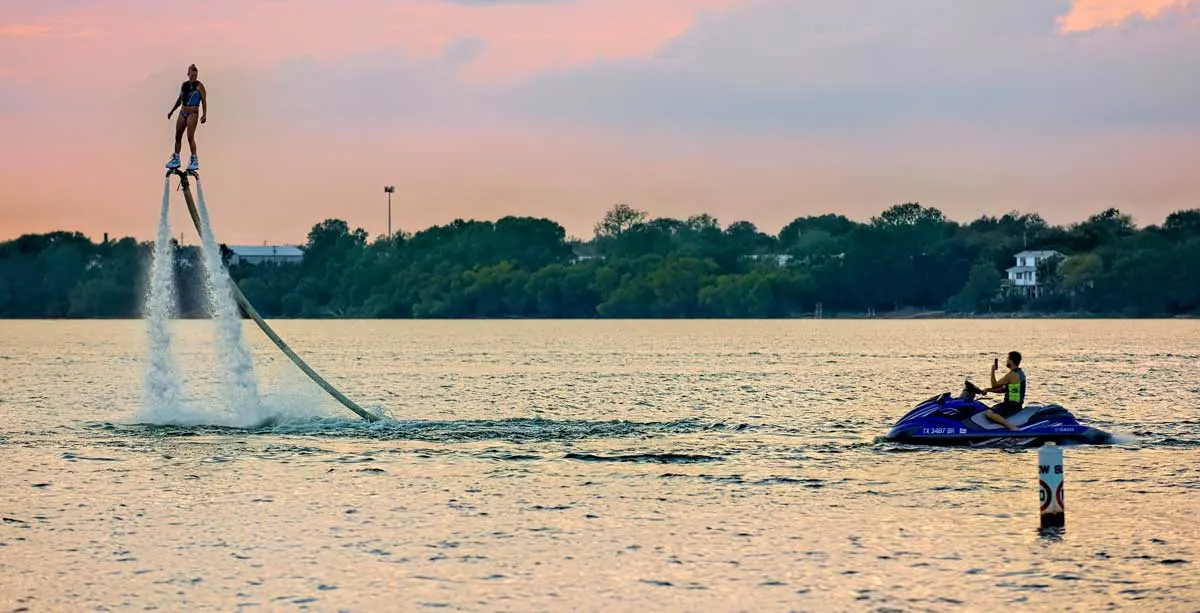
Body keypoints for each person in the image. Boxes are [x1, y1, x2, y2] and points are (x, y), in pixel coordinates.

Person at [166, 64, 207, 171]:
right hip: (183, 111)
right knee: (178, 135)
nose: (193, 77)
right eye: (192, 75)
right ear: (188, 74)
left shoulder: (199, 86)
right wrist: (171, 111)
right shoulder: (184, 85)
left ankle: (194, 159)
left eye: (195, 76)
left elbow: (204, 100)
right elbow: (180, 99)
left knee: (190, 136)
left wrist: (204, 114)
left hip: (193, 113)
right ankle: (176, 158)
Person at [981, 351, 1025, 431]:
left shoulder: (1011, 375)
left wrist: (992, 371)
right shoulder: (1020, 373)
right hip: (1017, 405)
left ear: (1011, 361)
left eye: (1008, 359)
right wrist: (988, 390)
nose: (1006, 361)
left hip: (1010, 405)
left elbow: (994, 385)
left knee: (989, 413)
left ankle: (1011, 427)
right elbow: (1003, 389)